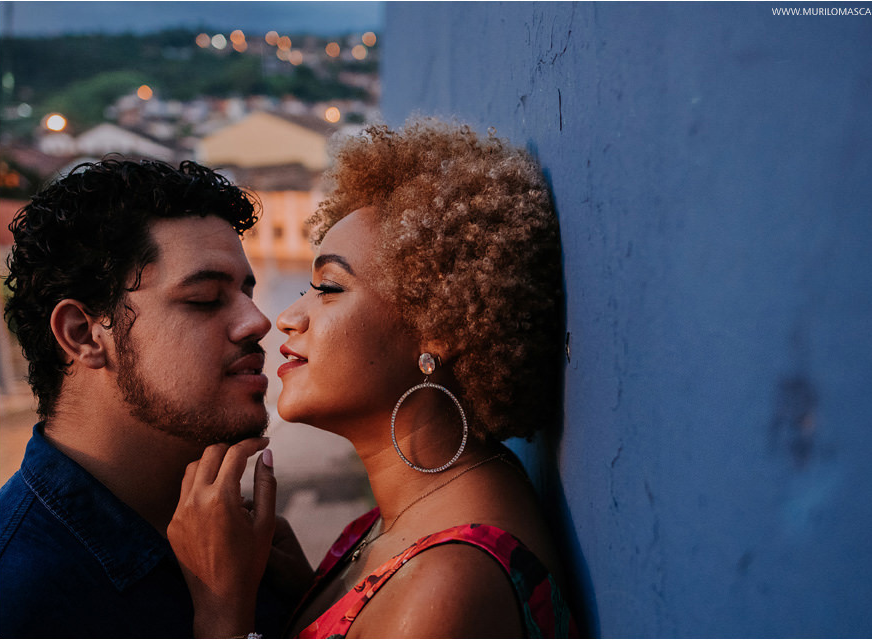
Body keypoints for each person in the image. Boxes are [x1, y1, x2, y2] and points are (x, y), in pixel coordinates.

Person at [168, 119, 577, 637]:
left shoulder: (445, 585)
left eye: (329, 288)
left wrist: (220, 606)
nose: (287, 318)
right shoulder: (420, 508)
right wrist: (310, 597)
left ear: (439, 327)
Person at [0, 159, 299, 638]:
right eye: (204, 299)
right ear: (83, 334)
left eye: (247, 292)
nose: (259, 321)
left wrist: (310, 599)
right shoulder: (18, 597)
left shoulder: (242, 539)